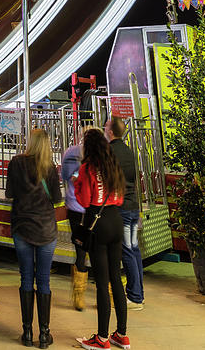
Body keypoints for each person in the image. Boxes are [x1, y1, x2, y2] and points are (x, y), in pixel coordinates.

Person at [74, 128, 129, 350]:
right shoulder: (112, 166)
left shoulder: (88, 168)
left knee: (102, 282)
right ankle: (122, 335)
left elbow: (85, 200)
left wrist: (76, 184)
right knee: (116, 279)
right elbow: (121, 195)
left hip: (98, 224)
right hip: (116, 221)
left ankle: (102, 338)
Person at [5, 129, 62, 348]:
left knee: (26, 278)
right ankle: (45, 335)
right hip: (46, 230)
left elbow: (10, 193)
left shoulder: (16, 163)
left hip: (22, 227)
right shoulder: (50, 168)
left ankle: (27, 332)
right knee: (44, 280)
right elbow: (56, 199)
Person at [106, 116, 144, 310]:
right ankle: (139, 292)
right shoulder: (129, 151)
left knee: (127, 250)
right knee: (134, 249)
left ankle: (135, 296)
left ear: (111, 131)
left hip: (121, 205)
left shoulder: (110, 152)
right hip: (133, 205)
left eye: (106, 127)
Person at [61, 127, 96, 310]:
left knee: (80, 250)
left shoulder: (69, 153)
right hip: (94, 209)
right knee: (98, 251)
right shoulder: (98, 158)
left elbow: (65, 177)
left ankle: (79, 297)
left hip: (74, 207)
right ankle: (103, 296)